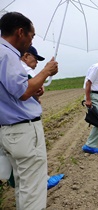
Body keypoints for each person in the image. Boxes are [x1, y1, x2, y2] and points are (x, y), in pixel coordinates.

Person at [0, 12, 58, 210]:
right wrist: (46, 72)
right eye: (32, 36)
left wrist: (34, 86)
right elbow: (23, 92)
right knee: (33, 189)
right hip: (22, 131)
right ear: (20, 32)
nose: (31, 40)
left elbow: (13, 91)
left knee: (23, 185)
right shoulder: (6, 55)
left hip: (8, 130)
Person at [20, 45, 64, 190]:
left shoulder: (14, 68)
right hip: (27, 121)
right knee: (36, 156)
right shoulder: (24, 69)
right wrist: (46, 72)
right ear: (26, 56)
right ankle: (42, 182)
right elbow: (36, 89)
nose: (36, 62)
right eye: (35, 58)